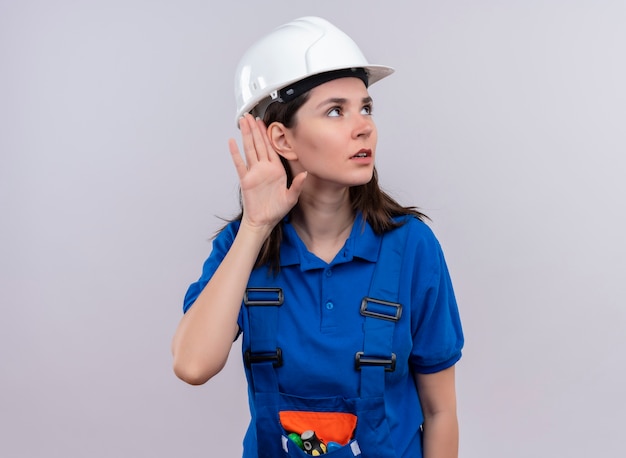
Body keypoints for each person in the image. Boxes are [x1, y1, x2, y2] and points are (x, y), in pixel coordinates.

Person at [172, 16, 464, 458]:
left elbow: (441, 412)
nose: (364, 126)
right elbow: (192, 365)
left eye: (365, 108)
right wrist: (255, 228)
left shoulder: (412, 248)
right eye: (335, 111)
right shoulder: (241, 246)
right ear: (282, 139)